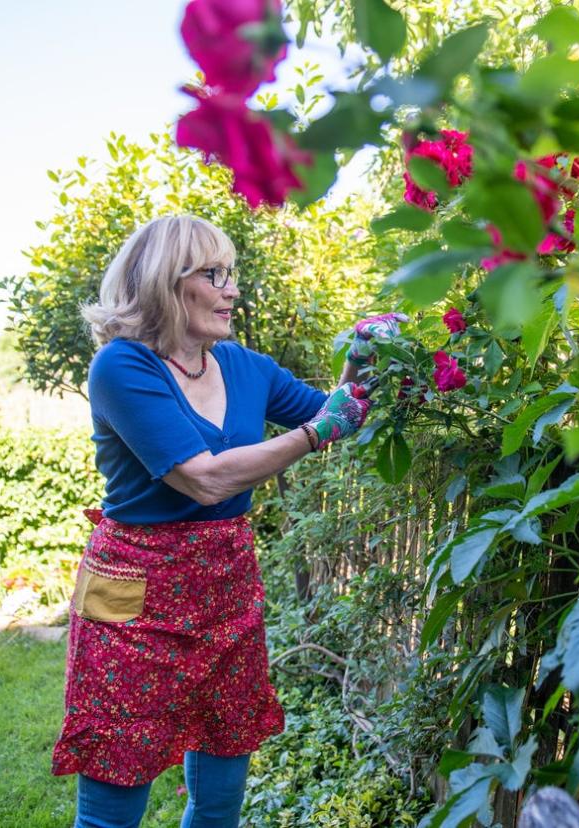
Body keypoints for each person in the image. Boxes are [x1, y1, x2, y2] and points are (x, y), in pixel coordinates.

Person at [50, 214, 405, 827]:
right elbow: (204, 478)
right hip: (129, 592)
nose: (232, 289)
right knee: (115, 785)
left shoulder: (246, 367)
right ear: (166, 281)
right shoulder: (122, 367)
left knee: (219, 796)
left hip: (224, 585)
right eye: (215, 274)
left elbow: (331, 413)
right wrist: (319, 431)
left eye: (231, 274)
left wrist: (361, 362)